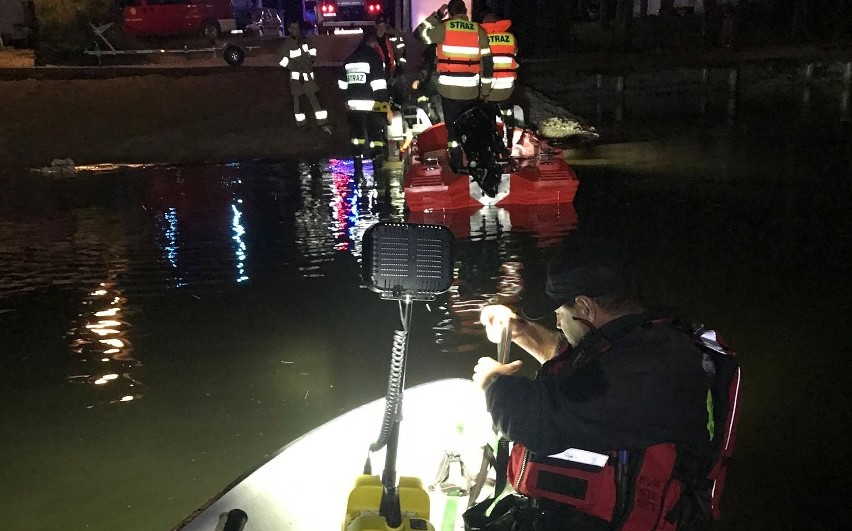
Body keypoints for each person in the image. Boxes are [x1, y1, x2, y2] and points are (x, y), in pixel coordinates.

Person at [475, 238, 713, 530]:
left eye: (558, 313)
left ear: (585, 307)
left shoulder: (642, 375)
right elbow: (579, 364)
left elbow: (538, 422)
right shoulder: (642, 339)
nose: (557, 323)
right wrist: (520, 332)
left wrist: (493, 383)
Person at [416, 0, 494, 174]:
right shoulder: (478, 31)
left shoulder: (444, 28)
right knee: (470, 126)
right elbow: (488, 65)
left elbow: (419, 34)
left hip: (449, 91)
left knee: (452, 130)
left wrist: (437, 15)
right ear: (465, 11)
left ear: (450, 13)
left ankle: (457, 164)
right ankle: (474, 160)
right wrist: (485, 93)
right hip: (471, 91)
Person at [338, 29, 394, 164]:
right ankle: (377, 163)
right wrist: (385, 107)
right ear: (373, 43)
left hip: (352, 105)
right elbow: (379, 85)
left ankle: (357, 160)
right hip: (371, 104)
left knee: (356, 135)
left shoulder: (349, 58)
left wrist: (346, 99)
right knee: (375, 134)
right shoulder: (373, 58)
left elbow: (342, 83)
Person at [278, 19, 330, 133]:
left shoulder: (306, 41)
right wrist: (292, 66)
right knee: (299, 103)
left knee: (317, 100)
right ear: (289, 29)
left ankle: (323, 123)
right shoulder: (287, 45)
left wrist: (311, 59)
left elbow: (313, 51)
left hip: (309, 78)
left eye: (297, 28)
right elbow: (281, 60)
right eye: (293, 28)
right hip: (296, 80)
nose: (296, 30)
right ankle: (302, 125)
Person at [480, 11, 518, 156]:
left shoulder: (482, 38)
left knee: (487, 112)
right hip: (507, 87)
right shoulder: (510, 37)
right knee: (508, 111)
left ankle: (492, 143)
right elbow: (514, 54)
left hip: (489, 88)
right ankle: (509, 141)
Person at [374, 13, 407, 102]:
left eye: (383, 24)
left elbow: (401, 51)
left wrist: (400, 67)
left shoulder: (393, 34)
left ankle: (398, 104)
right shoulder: (372, 36)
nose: (381, 27)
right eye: (379, 25)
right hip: (379, 70)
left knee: (399, 84)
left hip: (393, 69)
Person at [410, 43, 444, 125]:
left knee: (439, 112)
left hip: (436, 91)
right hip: (435, 90)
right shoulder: (432, 60)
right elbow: (425, 70)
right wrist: (418, 80)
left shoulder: (435, 59)